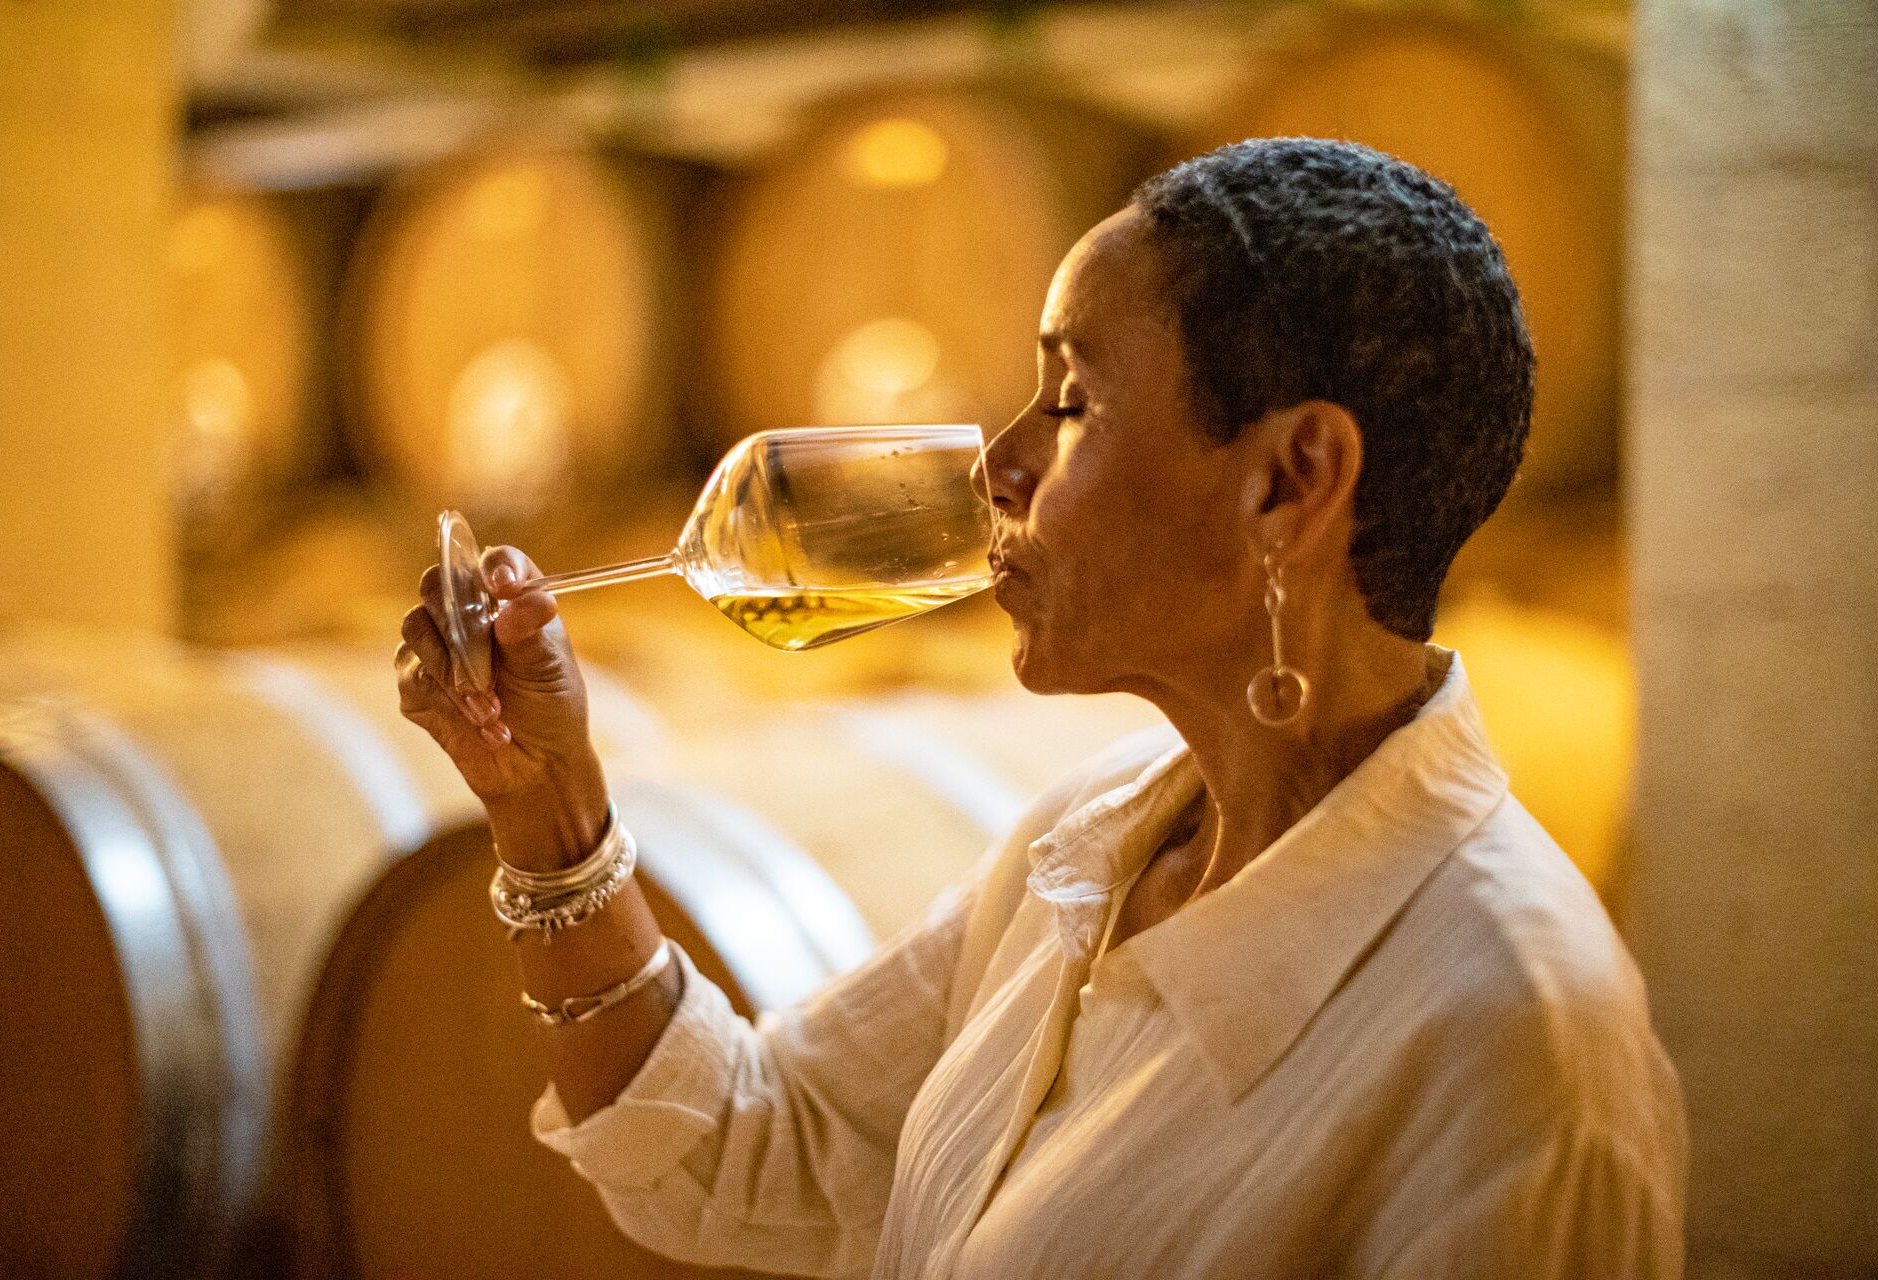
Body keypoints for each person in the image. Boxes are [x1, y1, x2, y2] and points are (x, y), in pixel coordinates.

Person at [396, 138, 1687, 1278]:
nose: (1000, 462)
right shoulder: (1095, 841)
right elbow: (742, 1151)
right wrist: (546, 801)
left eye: (1072, 400)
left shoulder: (1519, 1055)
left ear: (1291, 483)